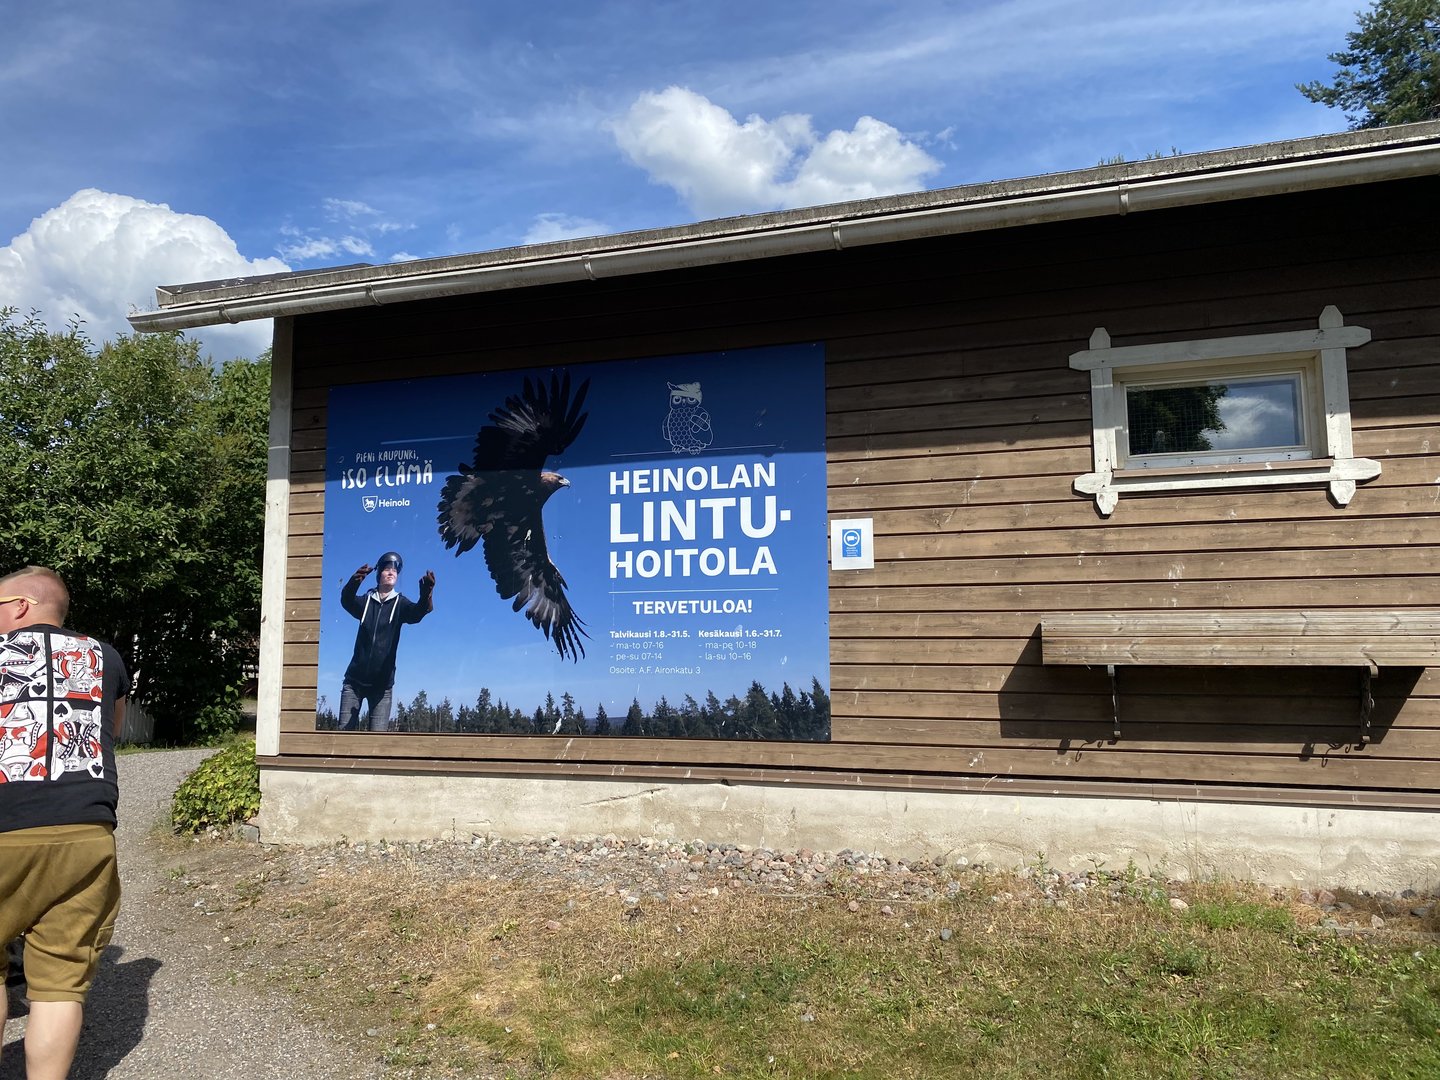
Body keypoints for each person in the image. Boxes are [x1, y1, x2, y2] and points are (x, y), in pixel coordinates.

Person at [0, 566, 130, 1080]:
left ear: (22, 605)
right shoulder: (106, 655)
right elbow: (113, 730)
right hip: (85, 835)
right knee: (58, 984)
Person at [338, 551, 434, 732]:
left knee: (377, 745)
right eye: (387, 569)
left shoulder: (401, 604)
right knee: (342, 741)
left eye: (395, 570)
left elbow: (416, 614)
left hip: (382, 687)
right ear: (378, 574)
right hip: (354, 683)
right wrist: (353, 582)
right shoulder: (366, 601)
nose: (391, 572)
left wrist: (425, 596)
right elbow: (346, 600)